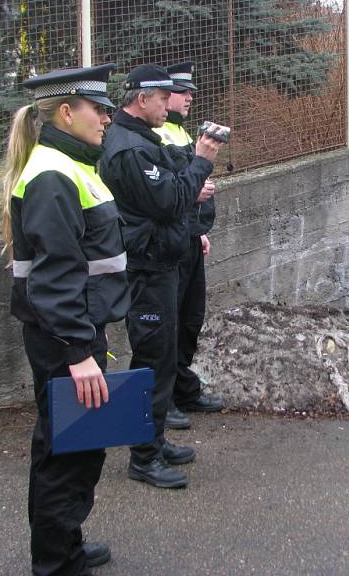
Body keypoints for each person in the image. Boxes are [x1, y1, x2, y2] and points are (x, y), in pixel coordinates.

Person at [3, 63, 129, 575]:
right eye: (97, 109)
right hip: (66, 341)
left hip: (71, 334)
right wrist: (79, 354)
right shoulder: (55, 174)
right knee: (68, 455)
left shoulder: (68, 165)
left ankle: (64, 548)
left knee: (69, 446)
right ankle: (56, 564)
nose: (106, 117)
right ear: (65, 111)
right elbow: (55, 280)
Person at [99, 64, 222, 488]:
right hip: (146, 268)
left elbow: (171, 190)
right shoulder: (129, 147)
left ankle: (154, 440)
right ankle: (143, 458)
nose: (169, 104)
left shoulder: (142, 139)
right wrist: (202, 163)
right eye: (162, 97)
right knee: (151, 360)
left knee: (163, 357)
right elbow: (169, 200)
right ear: (142, 97)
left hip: (161, 262)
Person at [153, 61, 226, 432]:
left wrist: (198, 230)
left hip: (189, 237)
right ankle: (161, 403)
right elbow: (172, 191)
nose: (189, 98)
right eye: (182, 92)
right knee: (166, 325)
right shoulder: (158, 135)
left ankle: (183, 389)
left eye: (189, 92)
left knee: (190, 319)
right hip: (168, 243)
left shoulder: (180, 133)